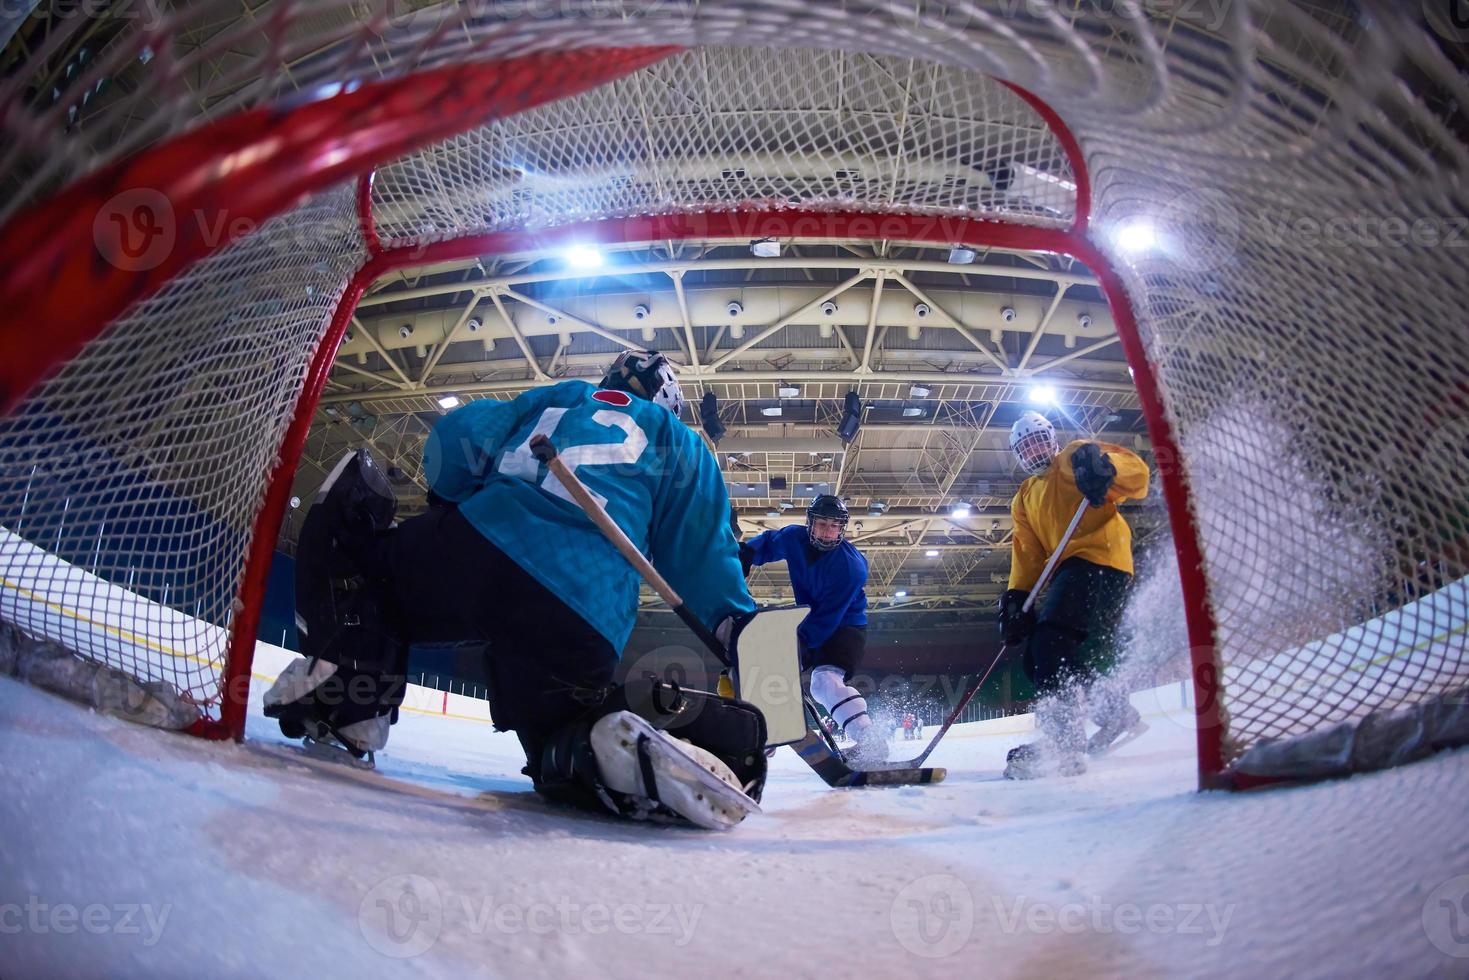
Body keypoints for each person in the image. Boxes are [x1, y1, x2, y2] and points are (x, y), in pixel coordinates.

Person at [265, 350, 766, 830]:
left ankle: (350, 702)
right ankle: (591, 746)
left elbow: (451, 443)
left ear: (609, 379)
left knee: (368, 575)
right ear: (671, 404)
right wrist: (733, 624)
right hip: (582, 607)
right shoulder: (680, 442)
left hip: (474, 547)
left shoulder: (559, 396)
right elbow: (701, 552)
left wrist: (453, 499)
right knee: (557, 734)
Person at [998, 410, 1151, 779]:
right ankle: (1115, 713)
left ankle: (1062, 741)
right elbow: (1028, 554)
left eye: (1038, 440)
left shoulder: (1076, 457)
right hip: (1071, 569)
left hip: (1103, 557)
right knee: (1037, 657)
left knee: (1051, 644)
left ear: (1052, 439)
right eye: (1025, 446)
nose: (1034, 450)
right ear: (1018, 455)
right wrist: (1017, 597)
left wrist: (1106, 470)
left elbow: (1139, 474)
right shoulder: (1024, 498)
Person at [737, 494, 887, 764]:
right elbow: (770, 543)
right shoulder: (795, 538)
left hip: (845, 627)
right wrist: (745, 555)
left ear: (842, 528)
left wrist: (797, 642)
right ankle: (765, 736)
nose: (828, 533)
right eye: (822, 524)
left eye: (834, 526)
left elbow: (827, 619)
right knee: (773, 668)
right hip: (810, 619)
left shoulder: (850, 568)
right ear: (810, 523)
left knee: (824, 681)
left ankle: (871, 742)